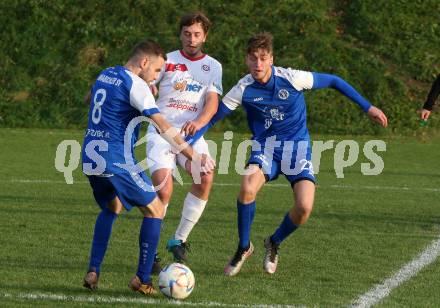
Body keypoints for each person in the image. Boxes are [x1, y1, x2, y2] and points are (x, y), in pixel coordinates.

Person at [187, 32, 388, 276]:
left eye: (263, 58)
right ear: (246, 60)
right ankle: (243, 246)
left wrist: (368, 107)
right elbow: (212, 119)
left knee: (304, 207)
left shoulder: (292, 78)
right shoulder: (243, 88)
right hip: (266, 148)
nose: (258, 64)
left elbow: (335, 81)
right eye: (253, 58)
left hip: (297, 149)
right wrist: (187, 139)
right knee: (247, 186)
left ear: (271, 58)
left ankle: (274, 242)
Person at [81, 39, 214, 295]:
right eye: (155, 71)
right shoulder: (136, 84)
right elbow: (163, 126)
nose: (156, 77)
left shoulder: (106, 73)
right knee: (154, 210)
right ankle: (142, 279)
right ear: (143, 63)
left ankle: (93, 270)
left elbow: (90, 98)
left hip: (90, 157)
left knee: (112, 207)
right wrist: (192, 154)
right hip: (116, 158)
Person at [146, 12, 222, 263]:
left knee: (205, 177)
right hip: (161, 132)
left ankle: (179, 239)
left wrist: (199, 122)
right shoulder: (166, 60)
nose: (191, 39)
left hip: (191, 135)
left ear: (205, 37)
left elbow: (212, 102)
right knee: (164, 190)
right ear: (180, 35)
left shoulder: (213, 66)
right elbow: (146, 81)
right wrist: (150, 85)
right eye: (187, 34)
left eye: (197, 34)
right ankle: (151, 251)